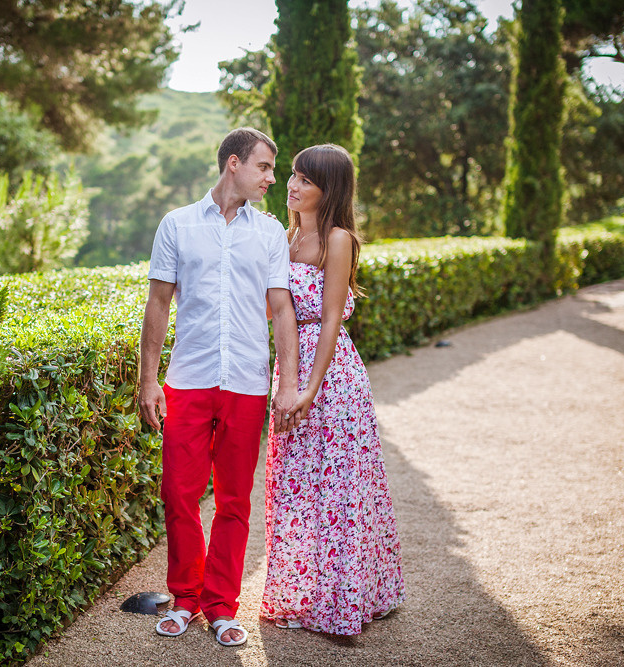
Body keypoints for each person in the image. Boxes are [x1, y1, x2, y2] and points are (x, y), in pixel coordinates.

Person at [138, 127, 301, 647]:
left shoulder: (271, 234)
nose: (272, 179)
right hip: (188, 380)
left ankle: (222, 606)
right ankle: (185, 599)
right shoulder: (177, 225)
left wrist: (286, 383)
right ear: (234, 163)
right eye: (264, 168)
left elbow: (281, 310)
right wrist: (148, 381)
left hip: (248, 384)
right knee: (179, 494)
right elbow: (158, 306)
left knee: (235, 501)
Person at [261, 144, 406, 635]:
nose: (292, 185)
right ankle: (303, 593)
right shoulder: (283, 237)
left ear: (330, 189)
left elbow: (328, 322)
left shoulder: (336, 238)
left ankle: (345, 599)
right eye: (293, 177)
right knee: (297, 485)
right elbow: (271, 311)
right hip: (290, 367)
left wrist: (308, 388)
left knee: (339, 490)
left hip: (331, 376)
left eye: (305, 180)